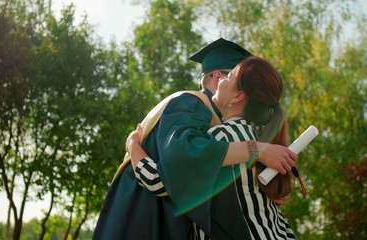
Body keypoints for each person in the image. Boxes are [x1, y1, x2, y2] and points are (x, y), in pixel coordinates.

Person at [93, 38, 297, 240]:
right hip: (275, 233)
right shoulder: (199, 105)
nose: (222, 82)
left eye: (231, 77)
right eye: (228, 74)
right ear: (216, 77)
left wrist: (132, 144)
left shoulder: (222, 133)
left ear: (239, 96)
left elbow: (162, 180)